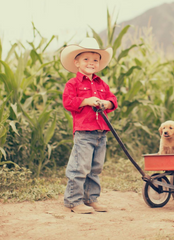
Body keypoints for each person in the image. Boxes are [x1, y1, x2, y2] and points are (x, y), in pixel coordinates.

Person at [60, 37, 118, 214]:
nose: (91, 63)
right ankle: (73, 200)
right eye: (86, 59)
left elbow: (112, 100)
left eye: (95, 60)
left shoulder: (102, 84)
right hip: (84, 132)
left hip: (101, 132)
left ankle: (91, 199)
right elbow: (68, 102)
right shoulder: (73, 84)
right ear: (77, 62)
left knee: (95, 167)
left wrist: (107, 104)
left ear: (99, 64)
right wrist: (86, 100)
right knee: (80, 166)